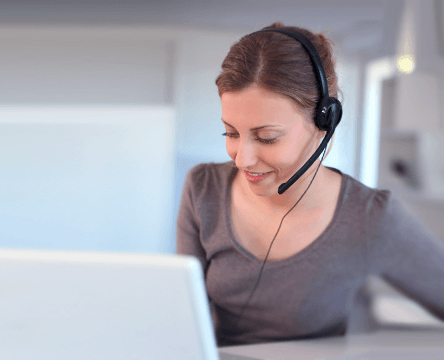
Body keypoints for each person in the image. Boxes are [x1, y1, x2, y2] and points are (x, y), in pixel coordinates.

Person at [176, 22, 444, 347]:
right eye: (231, 133)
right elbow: (183, 315)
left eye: (266, 138)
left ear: (324, 125)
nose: (242, 159)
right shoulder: (203, 188)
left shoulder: (370, 216)